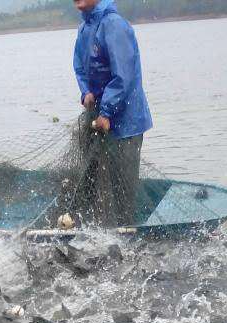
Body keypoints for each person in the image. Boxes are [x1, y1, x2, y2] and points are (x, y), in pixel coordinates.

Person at [71, 0, 152, 226]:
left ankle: (126, 233)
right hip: (98, 119)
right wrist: (85, 91)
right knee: (94, 182)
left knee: (122, 191)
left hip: (125, 123)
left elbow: (123, 76)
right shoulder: (84, 27)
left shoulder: (114, 25)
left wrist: (106, 113)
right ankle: (94, 228)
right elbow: (79, 65)